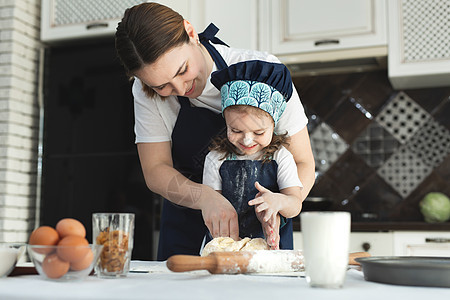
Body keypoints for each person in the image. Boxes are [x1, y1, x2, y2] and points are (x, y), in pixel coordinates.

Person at [115, 2, 315, 261]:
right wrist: (204, 197)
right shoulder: (146, 92)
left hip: (265, 234)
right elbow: (155, 170)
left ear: (190, 32)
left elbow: (303, 162)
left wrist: (284, 204)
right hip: (187, 230)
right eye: (162, 85)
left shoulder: (263, 71)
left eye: (182, 70)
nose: (179, 87)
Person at [203, 60, 303, 250]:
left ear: (274, 126)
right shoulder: (215, 158)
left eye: (258, 133)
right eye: (236, 130)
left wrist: (278, 202)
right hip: (226, 246)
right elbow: (212, 205)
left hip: (271, 247)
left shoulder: (281, 157)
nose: (247, 141)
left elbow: (295, 204)